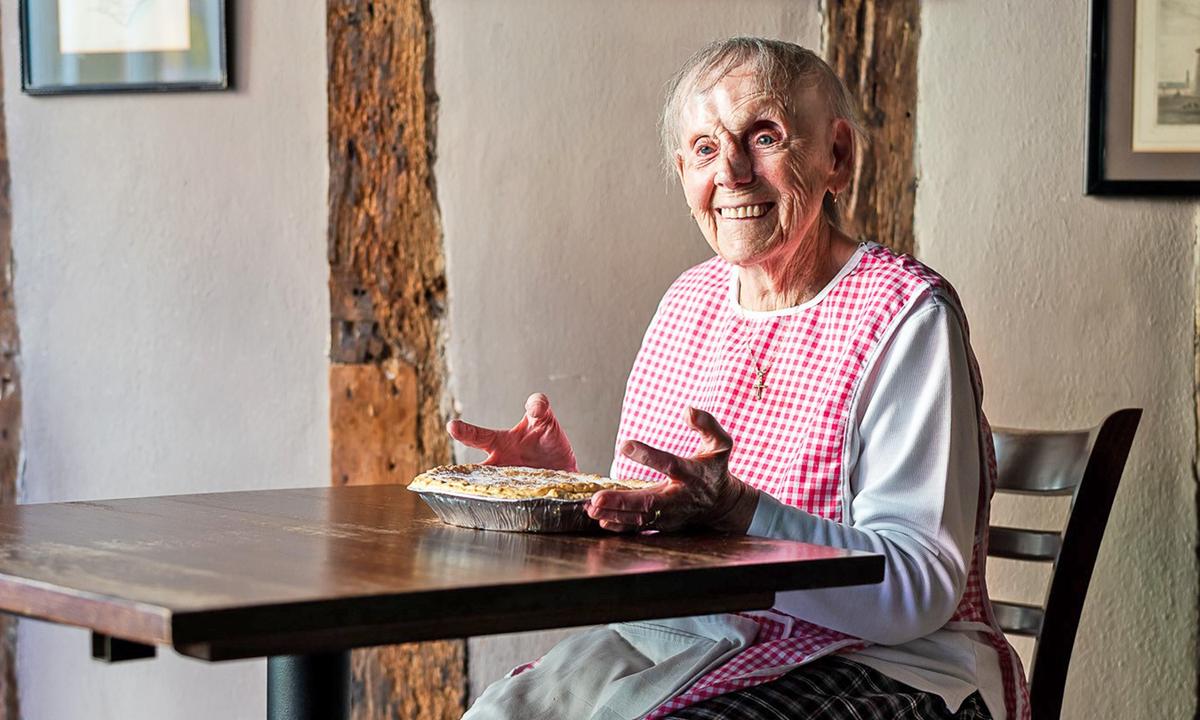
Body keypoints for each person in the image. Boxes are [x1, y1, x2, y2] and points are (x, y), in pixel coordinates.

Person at [449, 37, 1029, 720]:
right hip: (691, 642)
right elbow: (649, 541)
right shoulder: (686, 303)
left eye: (764, 136)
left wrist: (741, 516)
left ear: (836, 155)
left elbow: (917, 591)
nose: (731, 171)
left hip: (885, 666)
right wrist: (567, 498)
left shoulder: (906, 315)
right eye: (703, 148)